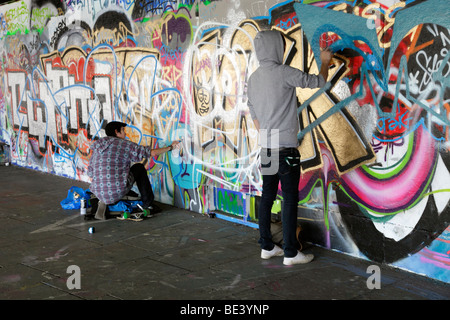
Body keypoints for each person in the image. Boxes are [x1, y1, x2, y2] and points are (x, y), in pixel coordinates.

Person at [247, 30, 333, 265]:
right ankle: (291, 253)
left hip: (267, 146)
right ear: (276, 48)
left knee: (267, 196)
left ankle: (266, 246)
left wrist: (267, 131)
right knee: (289, 199)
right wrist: (325, 62)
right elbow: (318, 82)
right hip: (285, 148)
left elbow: (253, 110)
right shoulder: (283, 73)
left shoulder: (253, 78)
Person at [87, 121, 179, 220]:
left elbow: (90, 173)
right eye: (123, 130)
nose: (125, 133)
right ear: (116, 132)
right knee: (138, 167)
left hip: (99, 193)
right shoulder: (123, 144)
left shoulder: (97, 147)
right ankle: (148, 204)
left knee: (120, 174)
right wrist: (170, 147)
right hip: (117, 191)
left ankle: (112, 199)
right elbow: (150, 153)